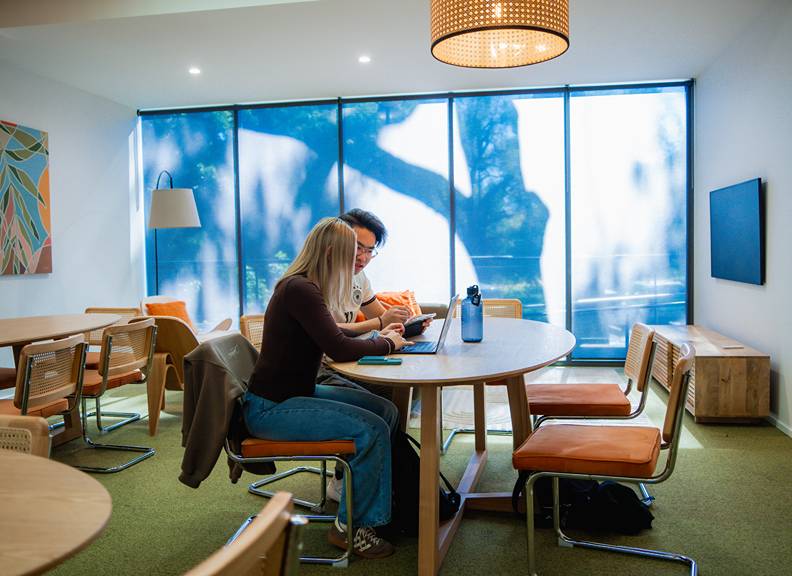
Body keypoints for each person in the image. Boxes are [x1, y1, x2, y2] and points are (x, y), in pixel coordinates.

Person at [243, 217, 410, 559]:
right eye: (352, 253)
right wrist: (388, 344)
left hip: (293, 395)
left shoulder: (306, 287)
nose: (357, 262)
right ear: (333, 252)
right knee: (373, 429)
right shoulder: (300, 289)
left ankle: (377, 508)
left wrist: (381, 334)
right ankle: (351, 527)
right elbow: (339, 349)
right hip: (272, 408)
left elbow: (333, 335)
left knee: (386, 410)